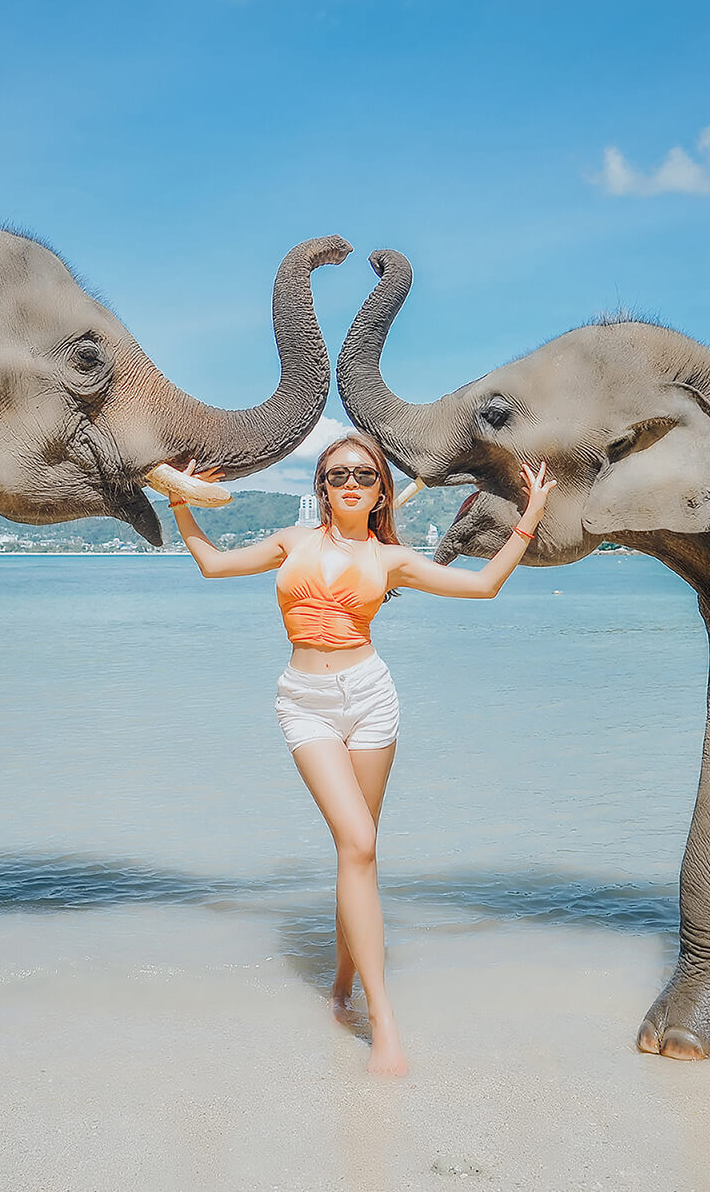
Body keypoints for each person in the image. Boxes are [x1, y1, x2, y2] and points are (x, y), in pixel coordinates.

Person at [164, 433, 551, 1077]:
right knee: (360, 843)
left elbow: (482, 585)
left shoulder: (392, 559)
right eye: (338, 473)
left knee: (357, 851)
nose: (351, 482)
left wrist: (529, 519)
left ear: (379, 491)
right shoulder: (292, 544)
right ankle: (384, 1020)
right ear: (321, 484)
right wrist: (183, 499)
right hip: (306, 703)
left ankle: (341, 988)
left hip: (371, 699)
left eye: (365, 476)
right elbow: (212, 563)